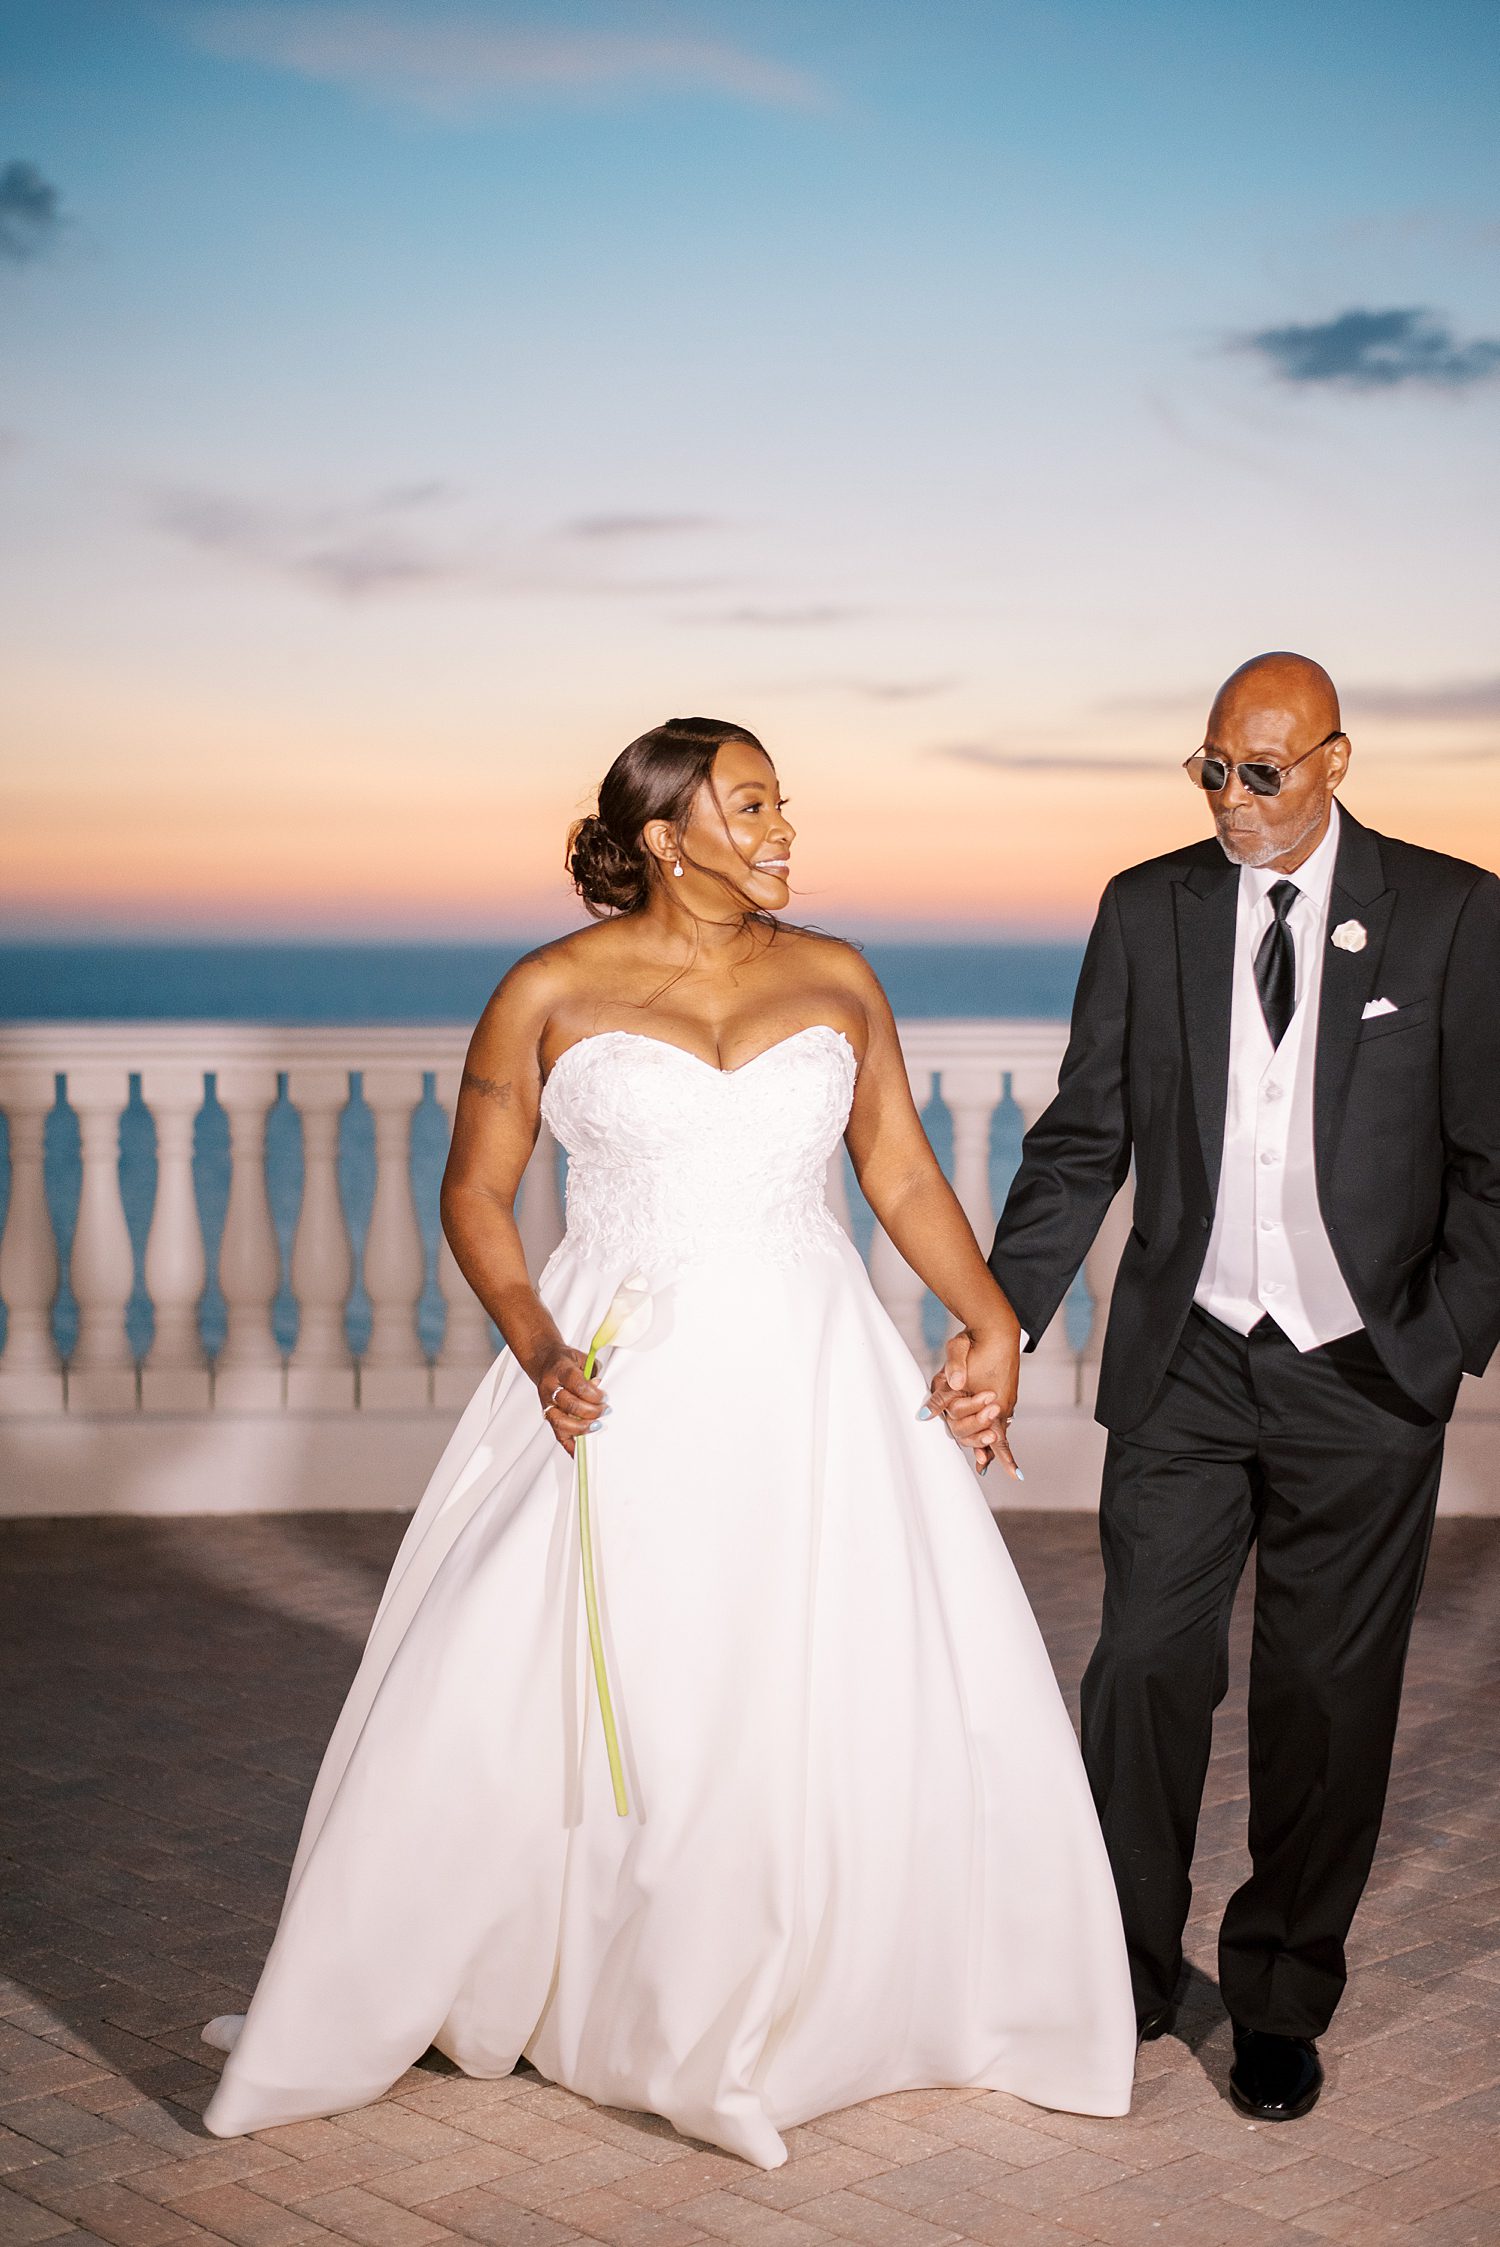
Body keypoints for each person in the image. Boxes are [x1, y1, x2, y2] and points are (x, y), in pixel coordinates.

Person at [200, 715, 1135, 2167]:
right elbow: (474, 1192)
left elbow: (895, 1166)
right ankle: (575, 1968)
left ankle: (816, 1988)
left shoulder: (834, 976)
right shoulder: (550, 990)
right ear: (664, 835)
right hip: (623, 1374)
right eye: (752, 803)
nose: (783, 829)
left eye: (783, 803)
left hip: (811, 1365)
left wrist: (993, 1323)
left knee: (819, 1662)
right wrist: (534, 1343)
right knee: (589, 1671)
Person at [940, 653, 1500, 2124]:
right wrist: (1001, 1318)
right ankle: (1121, 1962)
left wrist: (1430, 1350)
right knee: (1145, 1664)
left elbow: (1494, 1164)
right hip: (1186, 1359)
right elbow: (1080, 1142)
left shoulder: (1452, 911)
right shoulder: (1149, 908)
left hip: (1362, 1372)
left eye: (1261, 772)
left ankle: (1278, 1994)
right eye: (1211, 770)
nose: (1232, 800)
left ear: (1334, 760)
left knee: (1327, 1694)